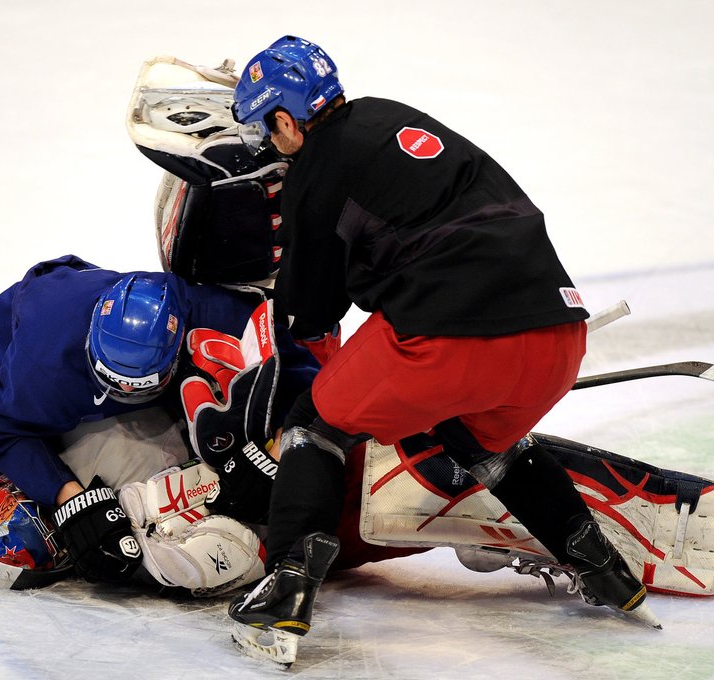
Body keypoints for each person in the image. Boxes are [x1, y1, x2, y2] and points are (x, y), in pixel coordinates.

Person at [227, 35, 657, 656]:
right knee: (483, 440)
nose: (267, 145)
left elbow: (312, 315)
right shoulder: (389, 114)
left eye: (265, 131)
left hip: (450, 340)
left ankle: (285, 591)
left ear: (286, 120)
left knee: (314, 424)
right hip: (559, 336)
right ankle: (601, 569)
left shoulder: (314, 174)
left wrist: (330, 374)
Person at [0, 254, 303, 583]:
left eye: (140, 385)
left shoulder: (208, 310)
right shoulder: (46, 359)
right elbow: (0, 429)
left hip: (68, 402)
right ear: (92, 343)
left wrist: (273, 449)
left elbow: (303, 371)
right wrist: (74, 499)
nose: (121, 393)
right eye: (111, 380)